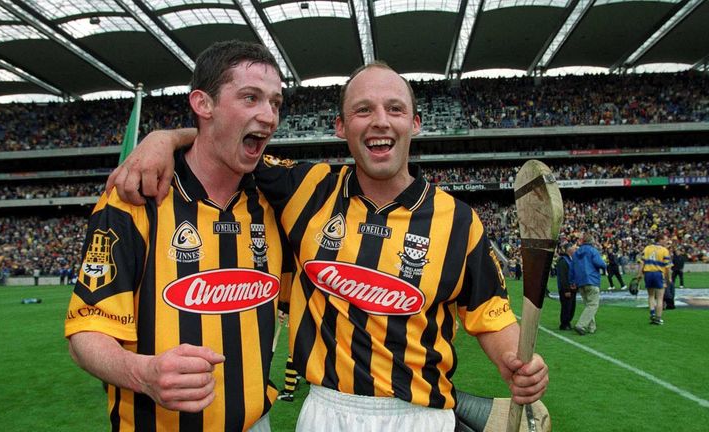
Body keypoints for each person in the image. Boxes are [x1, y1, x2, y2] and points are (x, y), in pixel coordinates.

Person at [110, 61, 549, 431]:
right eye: (363, 110)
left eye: (395, 109)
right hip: (326, 411)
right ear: (341, 127)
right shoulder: (306, 187)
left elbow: (490, 314)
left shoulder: (459, 221)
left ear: (415, 123)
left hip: (421, 416)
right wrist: (163, 139)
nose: (380, 120)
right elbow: (224, 140)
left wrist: (514, 358)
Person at [65, 40, 291, 432]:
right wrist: (144, 373)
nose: (268, 116)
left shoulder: (278, 195)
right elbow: (87, 331)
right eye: (250, 98)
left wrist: (166, 136)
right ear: (203, 104)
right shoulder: (134, 199)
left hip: (257, 424)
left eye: (275, 102)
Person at [569, 233, 607, 335]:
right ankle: (581, 325)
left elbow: (571, 269)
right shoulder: (592, 251)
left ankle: (591, 327)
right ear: (591, 241)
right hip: (592, 280)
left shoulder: (576, 253)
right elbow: (600, 263)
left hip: (580, 282)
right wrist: (604, 266)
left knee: (588, 304)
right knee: (593, 305)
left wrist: (572, 282)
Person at [638, 234, 672, 324]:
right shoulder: (664, 250)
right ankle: (658, 318)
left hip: (648, 273)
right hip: (658, 273)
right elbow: (667, 267)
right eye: (665, 239)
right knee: (660, 298)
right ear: (660, 240)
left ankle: (652, 313)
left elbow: (642, 262)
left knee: (651, 295)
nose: (667, 241)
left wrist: (639, 274)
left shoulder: (647, 248)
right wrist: (669, 278)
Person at [556, 243, 576, 330]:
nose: (575, 250)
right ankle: (564, 324)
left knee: (572, 306)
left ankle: (568, 322)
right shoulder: (563, 261)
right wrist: (566, 290)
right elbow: (563, 277)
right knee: (566, 306)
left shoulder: (571, 260)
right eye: (573, 248)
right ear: (569, 250)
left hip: (573, 287)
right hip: (566, 288)